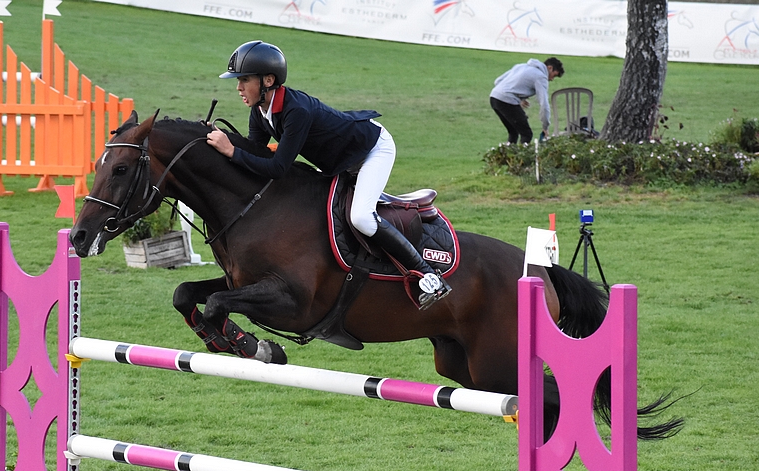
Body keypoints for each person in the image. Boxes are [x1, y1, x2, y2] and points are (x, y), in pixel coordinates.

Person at [207, 40, 450, 309]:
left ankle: (429, 275)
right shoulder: (260, 112)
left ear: (268, 80)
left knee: (361, 218)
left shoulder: (295, 111)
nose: (239, 87)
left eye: (244, 80)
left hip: (372, 150)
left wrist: (231, 151)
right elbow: (258, 154)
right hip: (339, 162)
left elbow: (277, 168)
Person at [489, 57, 564, 145]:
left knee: (513, 132)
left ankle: (508, 156)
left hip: (494, 97)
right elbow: (544, 104)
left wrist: (519, 98)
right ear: (550, 68)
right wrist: (545, 126)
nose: (551, 79)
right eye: (554, 75)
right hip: (506, 101)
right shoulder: (540, 77)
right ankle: (522, 158)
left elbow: (497, 81)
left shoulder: (521, 66)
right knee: (527, 134)